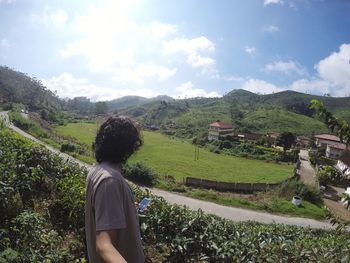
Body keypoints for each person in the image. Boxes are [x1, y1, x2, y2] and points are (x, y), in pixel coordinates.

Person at [85, 116, 145, 263]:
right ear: (129, 147)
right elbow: (104, 245)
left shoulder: (97, 171)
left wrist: (128, 209)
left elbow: (102, 214)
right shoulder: (110, 180)